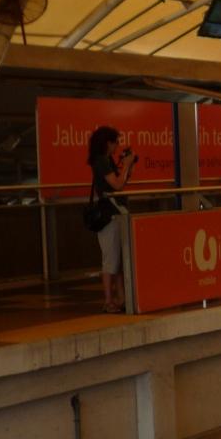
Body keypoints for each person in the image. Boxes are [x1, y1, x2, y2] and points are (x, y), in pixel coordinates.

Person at [87, 125, 135, 312]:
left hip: (116, 213)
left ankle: (121, 298)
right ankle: (108, 301)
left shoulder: (107, 160)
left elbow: (121, 182)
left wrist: (127, 166)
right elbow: (117, 184)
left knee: (118, 259)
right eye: (115, 142)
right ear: (108, 143)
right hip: (109, 216)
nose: (117, 146)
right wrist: (127, 165)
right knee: (110, 260)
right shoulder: (101, 161)